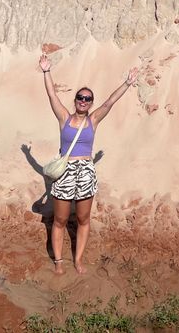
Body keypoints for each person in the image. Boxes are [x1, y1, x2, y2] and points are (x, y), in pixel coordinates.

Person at [38, 51, 139, 274]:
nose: (83, 101)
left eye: (87, 99)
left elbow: (110, 102)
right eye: (80, 98)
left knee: (83, 218)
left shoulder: (93, 120)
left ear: (91, 103)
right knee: (60, 219)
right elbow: (52, 96)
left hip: (85, 171)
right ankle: (58, 261)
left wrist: (127, 83)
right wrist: (46, 71)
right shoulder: (64, 118)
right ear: (75, 101)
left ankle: (78, 259)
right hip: (65, 171)